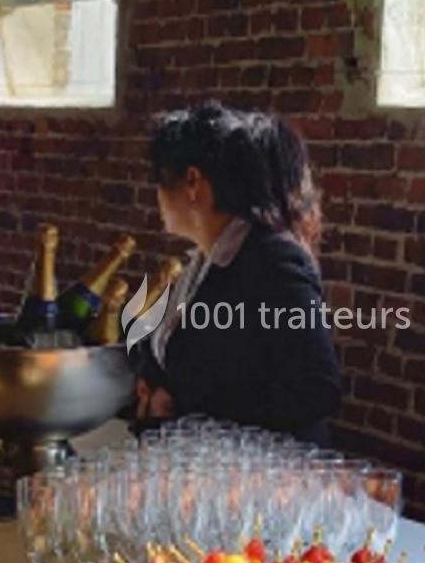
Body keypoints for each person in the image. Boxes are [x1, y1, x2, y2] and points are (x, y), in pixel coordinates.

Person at [132, 101, 341, 445]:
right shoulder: (205, 259)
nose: (154, 197)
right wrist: (156, 380)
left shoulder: (274, 261)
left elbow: (316, 389)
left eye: (159, 181)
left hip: (264, 477)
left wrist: (185, 405)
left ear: (193, 182)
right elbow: (192, 351)